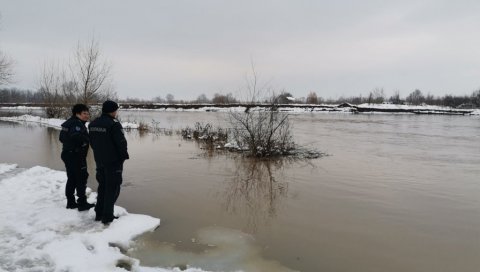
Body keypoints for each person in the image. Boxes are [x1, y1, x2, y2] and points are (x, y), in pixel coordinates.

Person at [88, 100, 129, 224]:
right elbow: (121, 143)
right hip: (113, 162)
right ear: (113, 111)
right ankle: (107, 216)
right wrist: (123, 157)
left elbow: (93, 142)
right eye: (116, 110)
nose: (116, 112)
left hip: (99, 160)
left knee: (103, 187)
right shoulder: (114, 124)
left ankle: (99, 213)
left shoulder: (93, 123)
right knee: (113, 188)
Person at [59, 104, 95, 211]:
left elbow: (61, 138)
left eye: (88, 113)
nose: (87, 116)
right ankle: (82, 203)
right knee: (81, 178)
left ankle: (71, 202)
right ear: (77, 114)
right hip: (76, 155)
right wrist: (87, 139)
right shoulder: (76, 124)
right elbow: (76, 137)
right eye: (84, 113)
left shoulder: (69, 123)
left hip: (68, 154)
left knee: (72, 178)